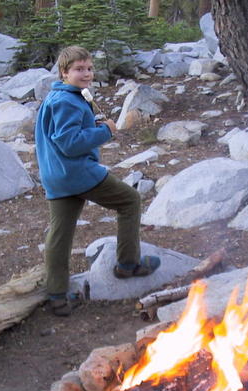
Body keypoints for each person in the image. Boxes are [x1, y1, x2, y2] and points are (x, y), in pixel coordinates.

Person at [35, 45, 160, 317]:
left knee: (60, 232)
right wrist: (105, 131)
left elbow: (62, 135)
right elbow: (68, 143)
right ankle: (128, 264)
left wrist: (92, 124)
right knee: (130, 200)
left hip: (56, 176)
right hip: (77, 173)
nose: (86, 74)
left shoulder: (60, 97)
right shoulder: (67, 101)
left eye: (89, 68)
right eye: (79, 69)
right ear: (64, 72)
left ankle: (56, 294)